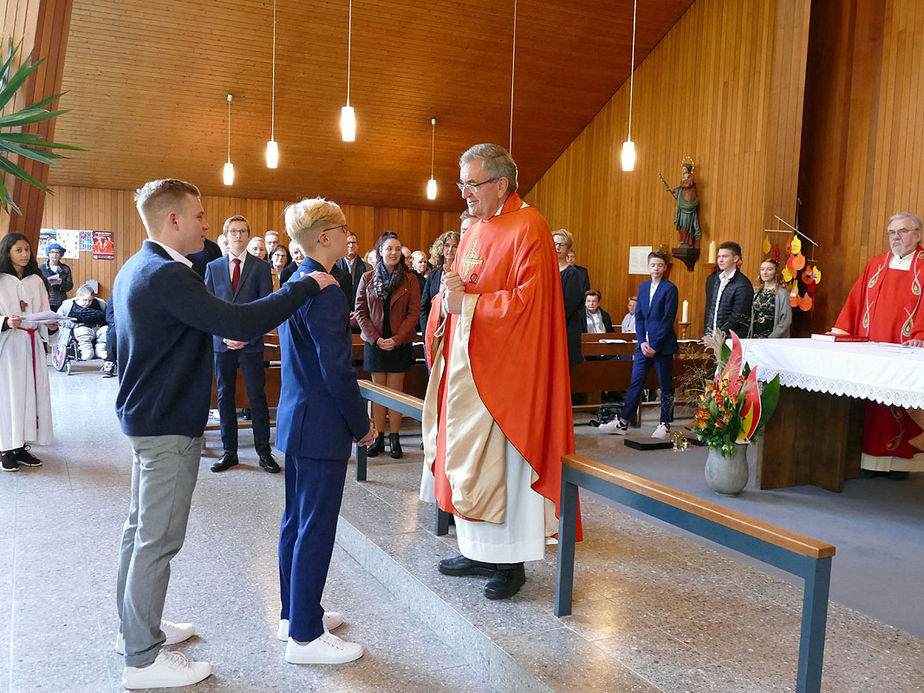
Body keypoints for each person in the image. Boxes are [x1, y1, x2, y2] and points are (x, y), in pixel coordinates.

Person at [112, 178, 335, 689]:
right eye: (198, 215)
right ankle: (142, 660)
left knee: (137, 531)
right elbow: (238, 316)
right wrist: (304, 286)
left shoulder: (137, 266)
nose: (207, 225)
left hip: (145, 418)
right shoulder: (167, 274)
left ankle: (134, 629)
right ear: (172, 220)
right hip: (165, 424)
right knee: (156, 539)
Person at [422, 143, 575, 600]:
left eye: (472, 183)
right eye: (462, 184)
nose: (464, 192)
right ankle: (477, 550)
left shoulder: (531, 226)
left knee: (502, 467)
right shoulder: (478, 229)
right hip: (469, 367)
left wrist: (465, 305)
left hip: (508, 374)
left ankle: (510, 564)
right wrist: (444, 303)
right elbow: (461, 287)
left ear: (500, 183)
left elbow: (532, 306)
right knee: (468, 463)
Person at [275, 197, 377, 665]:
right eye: (342, 228)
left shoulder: (298, 281)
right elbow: (337, 370)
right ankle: (306, 638)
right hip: (321, 426)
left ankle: (295, 613)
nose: (348, 234)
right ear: (323, 237)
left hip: (297, 418)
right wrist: (361, 425)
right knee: (315, 526)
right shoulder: (328, 289)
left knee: (296, 521)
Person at [830, 212, 924, 480]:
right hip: (871, 347)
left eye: (902, 231)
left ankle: (898, 464)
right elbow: (856, 299)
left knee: (899, 404)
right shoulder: (877, 264)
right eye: (892, 232)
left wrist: (920, 334)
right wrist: (841, 330)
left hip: (906, 348)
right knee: (871, 404)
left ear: (917, 234)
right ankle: (869, 460)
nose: (896, 237)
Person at [204, 215, 278, 474]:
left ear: (248, 235)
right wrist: (224, 336)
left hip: (251, 343)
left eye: (242, 231)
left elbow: (265, 308)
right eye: (233, 232)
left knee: (257, 398)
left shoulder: (260, 267)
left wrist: (246, 336)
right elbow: (208, 309)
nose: (237, 236)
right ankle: (229, 452)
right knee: (225, 397)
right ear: (225, 236)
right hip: (222, 343)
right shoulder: (213, 268)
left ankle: (264, 452)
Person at [355, 231, 421, 459]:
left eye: (396, 248)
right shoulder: (368, 278)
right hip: (375, 344)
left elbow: (414, 314)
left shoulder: (410, 279)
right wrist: (375, 338)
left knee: (395, 394)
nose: (393, 253)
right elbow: (361, 312)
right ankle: (378, 438)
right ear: (380, 252)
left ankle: (395, 439)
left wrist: (396, 339)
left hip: (399, 343)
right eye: (388, 248)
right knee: (378, 394)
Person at [600, 252, 678, 439]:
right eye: (653, 265)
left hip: (663, 344)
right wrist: (642, 341)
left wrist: (655, 344)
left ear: (665, 267)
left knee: (665, 384)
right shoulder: (643, 287)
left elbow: (668, 319)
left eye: (660, 265)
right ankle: (623, 422)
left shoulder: (670, 288)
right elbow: (640, 317)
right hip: (644, 345)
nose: (656, 268)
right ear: (648, 267)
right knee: (636, 382)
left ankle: (665, 423)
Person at [0, 233, 56, 472]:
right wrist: (4, 322)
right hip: (9, 345)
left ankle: (21, 446)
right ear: (7, 252)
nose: (24, 254)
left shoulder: (36, 280)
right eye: (18, 250)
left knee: (30, 396)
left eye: (27, 249)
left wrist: (51, 324)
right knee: (9, 396)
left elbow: (45, 311)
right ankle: (5, 449)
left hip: (31, 344)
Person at [553, 229, 589, 368]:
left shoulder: (572, 273)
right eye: (555, 244)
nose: (557, 248)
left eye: (561, 244)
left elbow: (568, 306)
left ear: (568, 248)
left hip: (565, 331)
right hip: (550, 329)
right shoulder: (546, 270)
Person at [703, 241, 753, 337]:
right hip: (716, 337)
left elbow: (738, 316)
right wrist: (708, 333)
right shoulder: (718, 280)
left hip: (732, 338)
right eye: (719, 257)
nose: (720, 260)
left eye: (725, 256)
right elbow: (712, 309)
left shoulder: (743, 284)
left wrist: (720, 334)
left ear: (735, 258)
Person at [419, 230, 460, 337]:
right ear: (441, 248)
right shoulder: (433, 275)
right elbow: (424, 307)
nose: (450, 249)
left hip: (455, 331)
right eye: (447, 245)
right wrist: (426, 333)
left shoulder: (462, 274)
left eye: (455, 246)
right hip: (434, 329)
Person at [57, 283, 109, 360]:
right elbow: (59, 319)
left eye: (90, 300)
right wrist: (75, 324)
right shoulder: (67, 305)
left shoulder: (100, 303)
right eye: (84, 300)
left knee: (106, 330)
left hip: (97, 327)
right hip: (79, 328)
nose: (87, 303)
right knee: (83, 332)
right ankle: (87, 350)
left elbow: (107, 316)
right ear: (78, 297)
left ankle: (100, 350)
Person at [334, 231, 371, 332]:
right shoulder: (334, 266)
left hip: (362, 316)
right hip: (339, 315)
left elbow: (370, 294)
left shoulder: (368, 267)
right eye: (348, 243)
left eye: (353, 243)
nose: (350, 245)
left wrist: (357, 313)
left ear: (358, 245)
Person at [749, 258, 792, 338]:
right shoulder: (757, 291)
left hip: (772, 337)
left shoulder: (782, 293)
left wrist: (772, 338)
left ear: (775, 272)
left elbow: (786, 320)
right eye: (762, 269)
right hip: (755, 336)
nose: (765, 272)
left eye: (769, 269)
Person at [660, 162, 701, 246]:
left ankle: (688, 240)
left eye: (684, 169)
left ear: (688, 170)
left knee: (687, 221)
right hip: (682, 202)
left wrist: (682, 184)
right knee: (682, 221)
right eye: (682, 169)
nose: (683, 170)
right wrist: (672, 190)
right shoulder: (683, 180)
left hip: (689, 201)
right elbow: (680, 188)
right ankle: (683, 238)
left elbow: (688, 184)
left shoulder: (690, 179)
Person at [39, 242, 73, 311]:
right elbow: (35, 285)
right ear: (48, 254)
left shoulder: (65, 268)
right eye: (52, 252)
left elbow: (69, 286)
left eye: (57, 253)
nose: (54, 255)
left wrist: (61, 283)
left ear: (60, 255)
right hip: (45, 301)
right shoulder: (41, 268)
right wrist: (46, 283)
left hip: (60, 301)